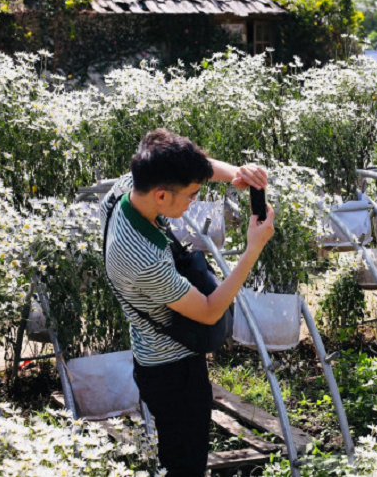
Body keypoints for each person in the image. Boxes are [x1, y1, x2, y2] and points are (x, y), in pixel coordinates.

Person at [100, 128, 274, 476]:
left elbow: (198, 166)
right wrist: (253, 248)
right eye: (193, 195)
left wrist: (240, 174)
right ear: (162, 196)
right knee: (185, 465)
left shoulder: (129, 188)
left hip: (159, 355)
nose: (196, 199)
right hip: (171, 371)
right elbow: (210, 312)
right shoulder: (140, 258)